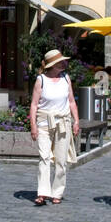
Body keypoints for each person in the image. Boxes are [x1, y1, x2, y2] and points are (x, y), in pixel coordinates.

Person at [29, 49, 80, 205]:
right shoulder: (41, 80)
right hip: (44, 123)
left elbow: (71, 101)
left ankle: (57, 192)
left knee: (61, 159)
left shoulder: (66, 78)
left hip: (63, 123)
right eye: (61, 61)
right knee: (44, 157)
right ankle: (43, 193)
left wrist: (76, 121)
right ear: (52, 65)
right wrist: (33, 126)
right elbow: (34, 104)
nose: (64, 63)